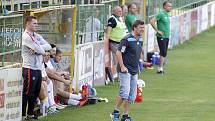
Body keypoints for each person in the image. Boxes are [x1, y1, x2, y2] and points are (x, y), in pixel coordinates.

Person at [110, 20, 145, 121]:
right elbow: (118, 53)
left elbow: (138, 52)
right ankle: (115, 112)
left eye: (143, 28)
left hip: (134, 70)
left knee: (132, 96)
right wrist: (122, 66)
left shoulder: (140, 39)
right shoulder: (127, 39)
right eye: (140, 28)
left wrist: (140, 63)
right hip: (125, 70)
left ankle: (125, 115)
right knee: (124, 93)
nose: (142, 30)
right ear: (134, 28)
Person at [22, 16, 51, 120]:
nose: (36, 25)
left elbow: (49, 46)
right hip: (29, 68)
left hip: (38, 68)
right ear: (28, 24)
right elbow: (42, 50)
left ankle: (30, 114)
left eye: (37, 23)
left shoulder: (37, 36)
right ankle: (23, 115)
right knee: (27, 92)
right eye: (34, 23)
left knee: (34, 93)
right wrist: (38, 49)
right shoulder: (26, 36)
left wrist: (37, 48)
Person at [150, 1, 172, 74]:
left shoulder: (167, 15)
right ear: (164, 7)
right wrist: (157, 30)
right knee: (163, 52)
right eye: (169, 6)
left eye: (171, 6)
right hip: (161, 36)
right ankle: (160, 69)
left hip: (166, 36)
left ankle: (160, 68)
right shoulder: (161, 14)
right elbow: (152, 21)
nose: (170, 7)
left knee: (164, 53)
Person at [105, 6, 127, 79]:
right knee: (119, 59)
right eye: (119, 11)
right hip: (114, 43)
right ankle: (119, 75)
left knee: (119, 59)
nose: (121, 12)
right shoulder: (112, 19)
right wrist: (107, 42)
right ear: (114, 12)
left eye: (121, 11)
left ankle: (119, 75)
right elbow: (108, 31)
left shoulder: (120, 19)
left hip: (121, 43)